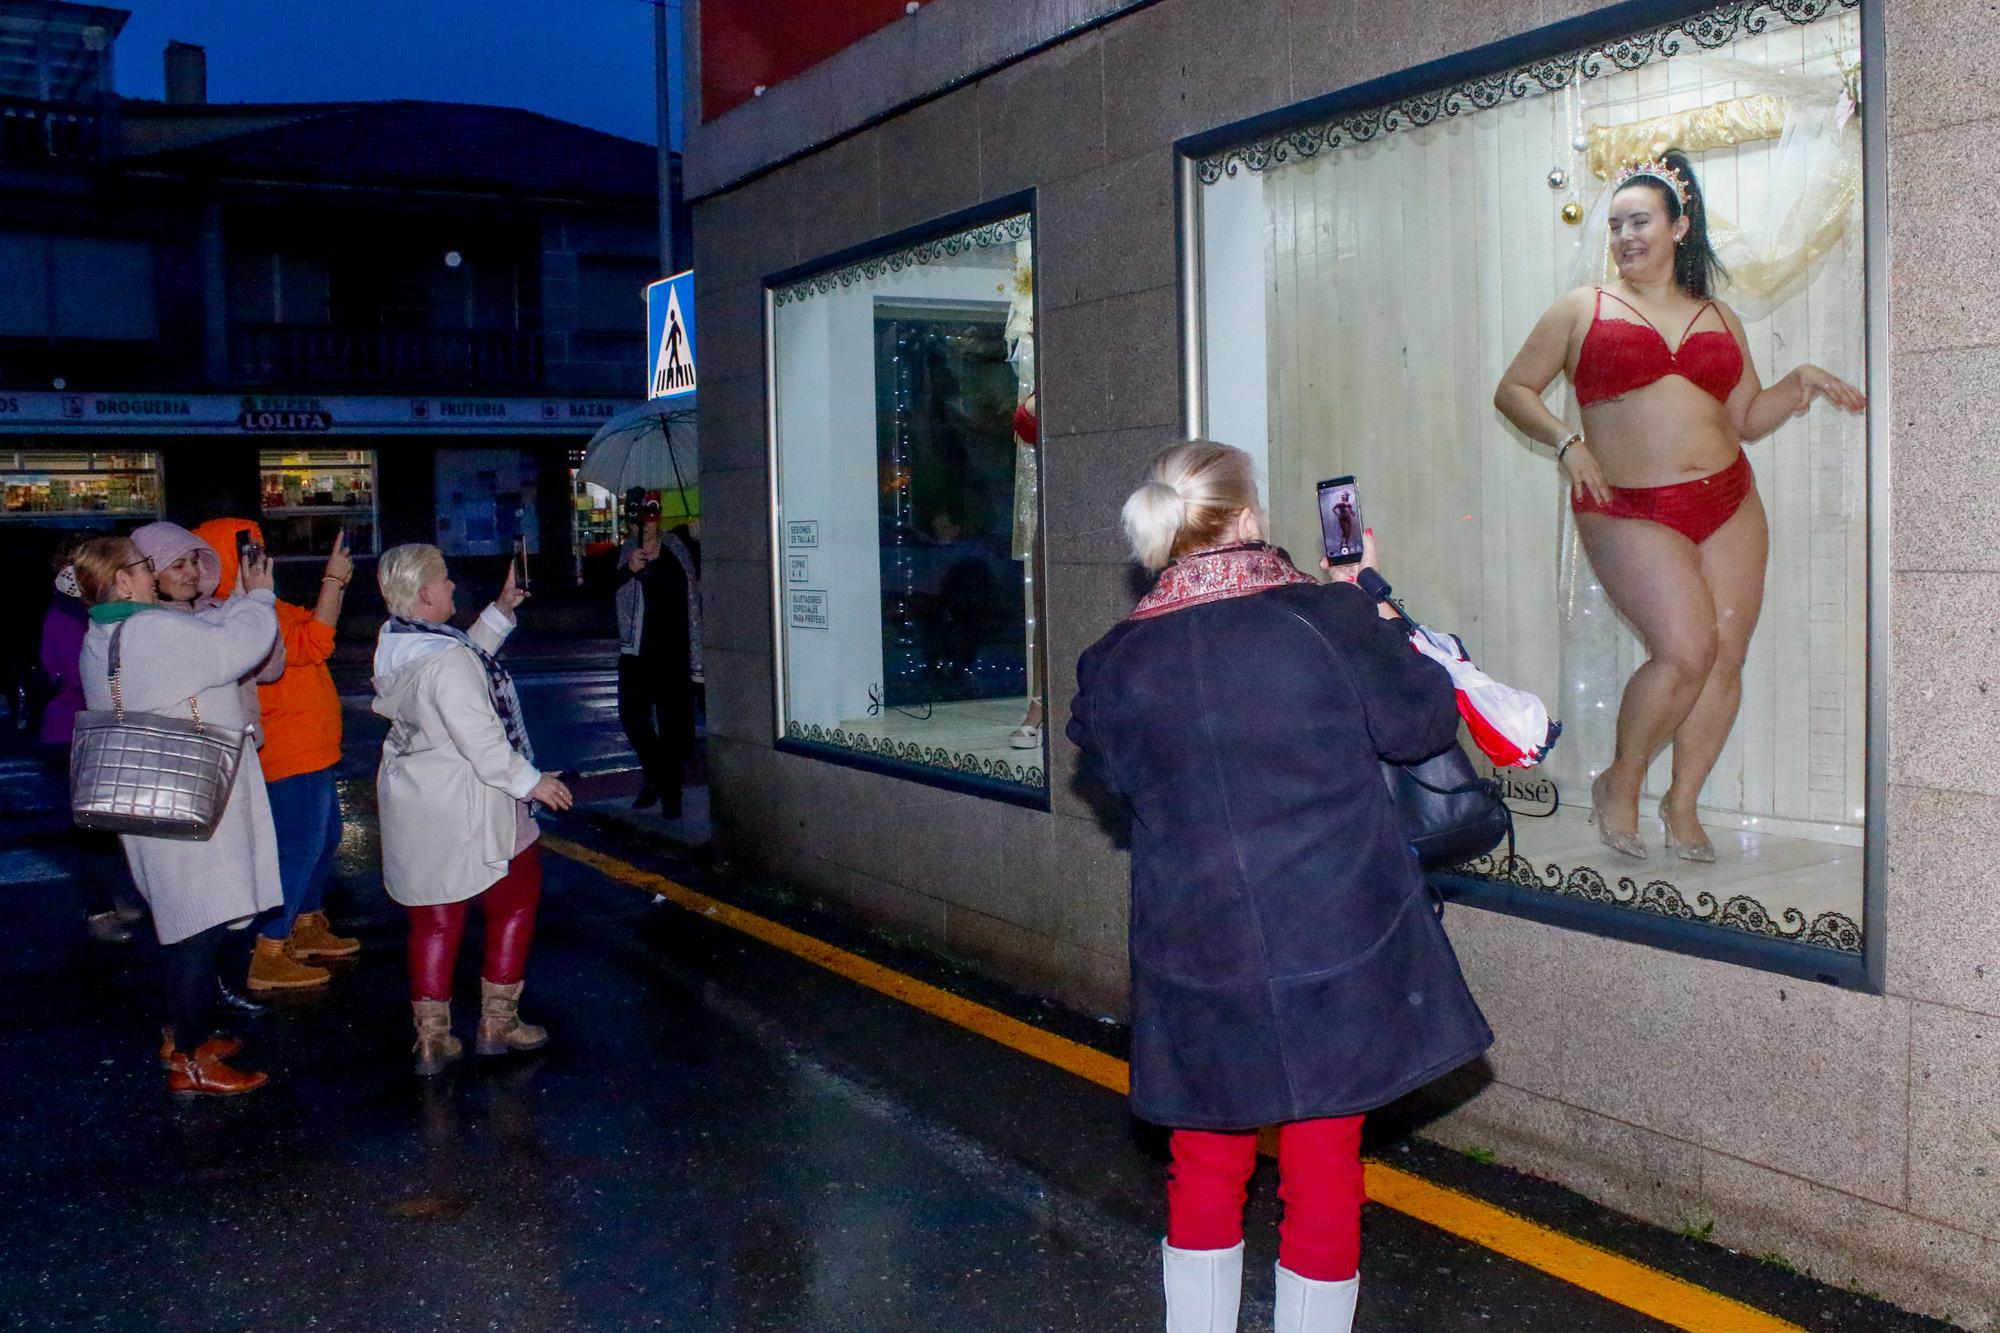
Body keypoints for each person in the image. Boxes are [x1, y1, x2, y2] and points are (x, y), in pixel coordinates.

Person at [1067, 441, 1493, 1333]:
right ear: (1249, 518)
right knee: (1324, 1159)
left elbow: (1120, 779)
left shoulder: (1113, 662)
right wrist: (1369, 600)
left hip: (1195, 939)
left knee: (1206, 1159)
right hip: (1335, 929)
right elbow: (1421, 722)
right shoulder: (1324, 619)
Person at [1494, 151, 1864, 862]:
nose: (1625, 236)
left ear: (1679, 226)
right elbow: (1513, 390)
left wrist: (1802, 381)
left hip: (1729, 498)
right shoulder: (1582, 308)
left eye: (1639, 221)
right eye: (1615, 226)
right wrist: (1569, 443)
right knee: (1685, 649)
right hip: (1623, 503)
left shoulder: (1718, 315)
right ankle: (1621, 781)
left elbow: (1748, 416)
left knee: (1724, 656)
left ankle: (1683, 801)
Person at [73, 534, 283, 1097]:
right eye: (144, 567)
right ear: (122, 579)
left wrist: (236, 600)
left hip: (156, 804)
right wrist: (258, 598)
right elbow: (233, 647)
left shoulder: (105, 633)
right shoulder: (150, 630)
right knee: (198, 929)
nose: (151, 573)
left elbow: (208, 639)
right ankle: (189, 1060)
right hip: (189, 809)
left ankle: (182, 1034)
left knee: (187, 922)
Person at [371, 544, 573, 1076]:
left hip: (417, 798)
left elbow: (461, 665)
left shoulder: (399, 642)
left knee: (435, 917)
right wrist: (534, 784)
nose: (454, 587)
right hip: (469, 800)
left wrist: (502, 609)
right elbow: (482, 739)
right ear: (425, 592)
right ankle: (497, 1022)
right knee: (516, 893)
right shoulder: (446, 659)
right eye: (445, 580)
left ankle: (432, 1040)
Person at [192, 519, 360, 990]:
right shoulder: (236, 613)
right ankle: (269, 949)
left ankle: (306, 925)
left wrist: (334, 583)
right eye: (248, 550)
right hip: (290, 751)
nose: (261, 557)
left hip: (312, 747)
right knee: (297, 848)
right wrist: (334, 580)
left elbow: (307, 626)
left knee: (322, 841)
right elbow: (315, 643)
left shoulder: (262, 605)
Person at [37, 536, 145, 946]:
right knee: (92, 827)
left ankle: (117, 896)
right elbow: (73, 671)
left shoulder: (90, 611)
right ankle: (99, 908)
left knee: (114, 823)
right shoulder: (67, 613)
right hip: (73, 732)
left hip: (97, 727)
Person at [614, 499, 699, 815]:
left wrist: (699, 537)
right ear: (632, 523)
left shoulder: (678, 546)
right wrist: (629, 571)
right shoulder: (626, 553)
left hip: (674, 652)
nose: (648, 521)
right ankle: (656, 777)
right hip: (636, 653)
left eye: (653, 513)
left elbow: (699, 583)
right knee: (633, 718)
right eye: (641, 516)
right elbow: (602, 588)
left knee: (673, 727)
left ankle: (671, 795)